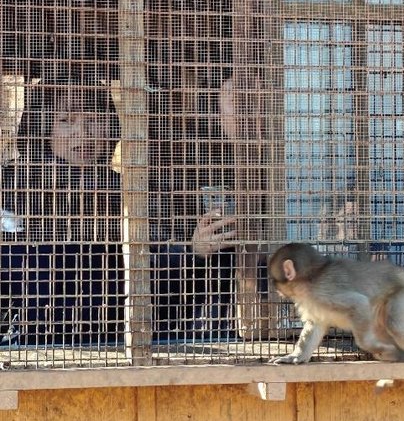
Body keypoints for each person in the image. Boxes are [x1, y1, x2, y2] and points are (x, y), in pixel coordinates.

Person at [0, 77, 240, 346]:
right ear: (41, 128)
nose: (84, 132)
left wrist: (194, 252)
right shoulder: (12, 188)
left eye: (94, 118)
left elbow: (165, 284)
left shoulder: (130, 192)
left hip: (127, 342)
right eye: (66, 119)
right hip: (39, 345)